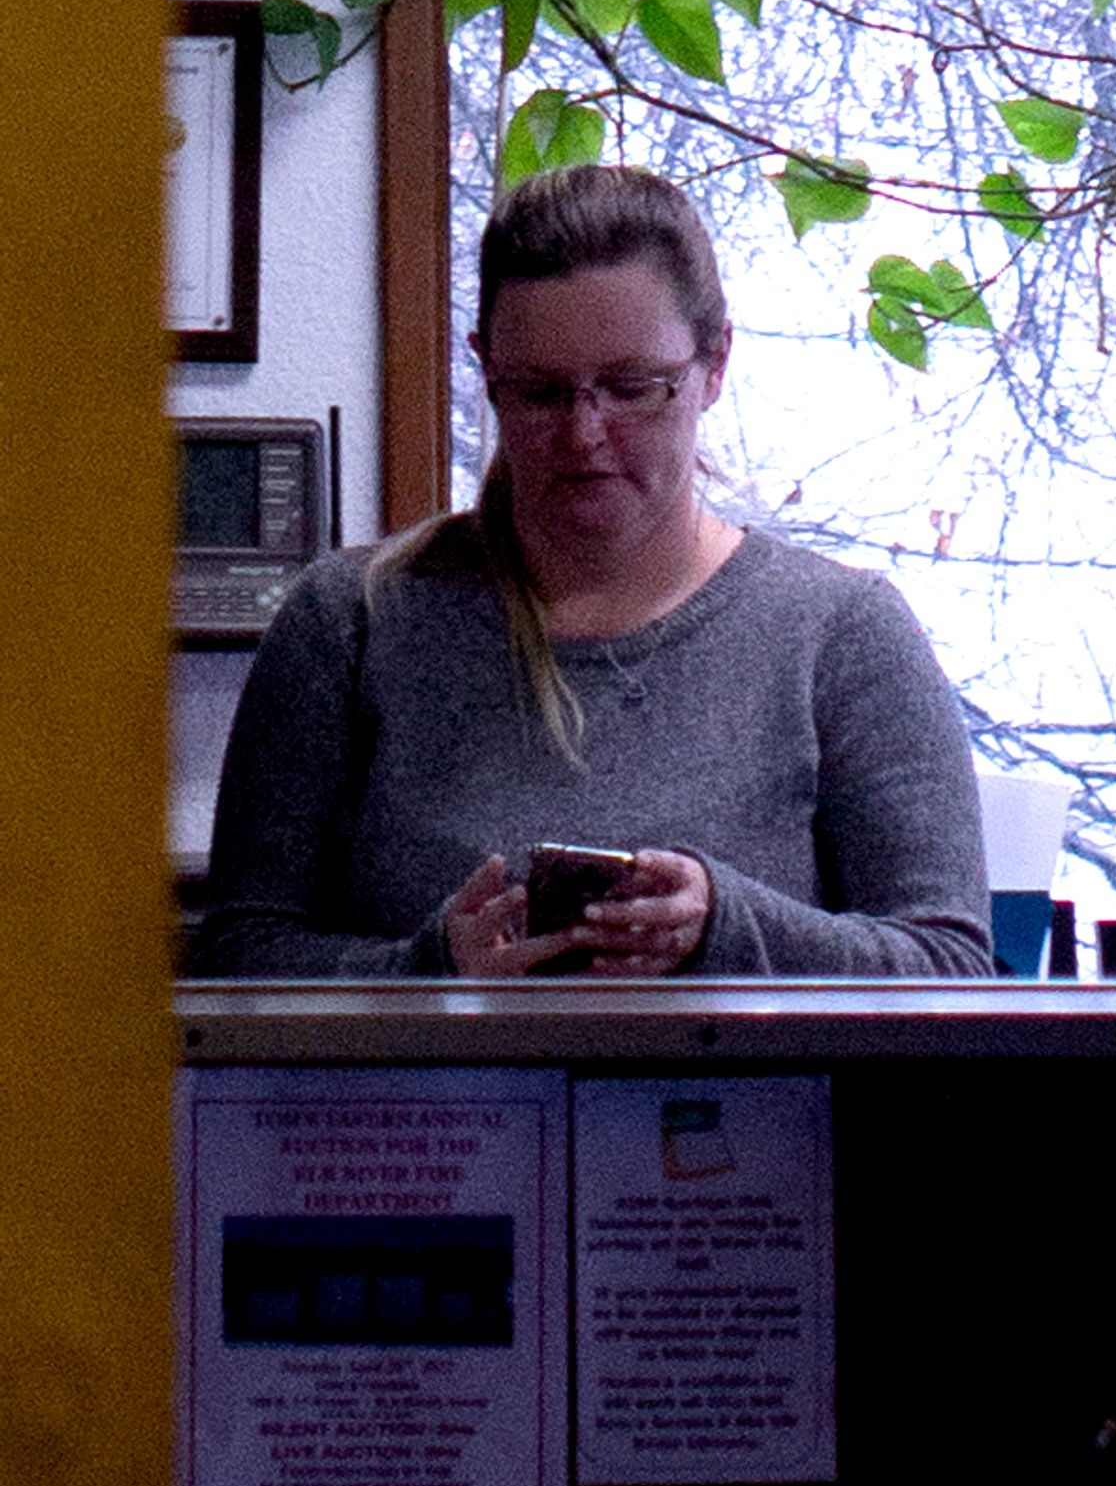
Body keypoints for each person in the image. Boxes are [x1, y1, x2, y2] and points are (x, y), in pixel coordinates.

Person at [194, 162, 992, 979]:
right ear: (486, 372)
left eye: (633, 387)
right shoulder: (350, 623)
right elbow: (239, 959)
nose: (584, 435)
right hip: (435, 1108)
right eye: (539, 393)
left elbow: (951, 968)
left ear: (714, 365)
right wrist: (428, 970)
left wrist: (726, 924)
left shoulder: (840, 634)